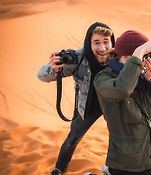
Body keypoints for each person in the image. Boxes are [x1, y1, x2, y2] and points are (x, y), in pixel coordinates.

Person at [37, 22, 115, 175]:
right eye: (96, 42)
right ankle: (59, 168)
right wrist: (52, 69)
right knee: (73, 137)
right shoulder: (77, 58)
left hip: (112, 103)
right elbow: (41, 76)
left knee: (119, 135)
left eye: (106, 42)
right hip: (88, 105)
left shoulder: (119, 57)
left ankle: (112, 167)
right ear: (88, 43)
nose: (102, 48)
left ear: (112, 42)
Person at [94, 30, 151, 175]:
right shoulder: (103, 79)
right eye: (142, 57)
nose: (144, 62)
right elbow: (122, 89)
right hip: (127, 163)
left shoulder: (141, 75)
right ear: (125, 57)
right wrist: (140, 52)